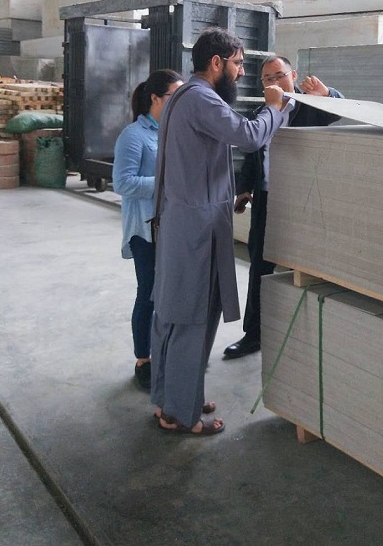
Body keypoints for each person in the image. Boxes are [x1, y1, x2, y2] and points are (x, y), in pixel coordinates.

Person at [151, 28, 293, 435]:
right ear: (216, 63)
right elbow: (248, 136)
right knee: (191, 318)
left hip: (187, 222)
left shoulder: (184, 95)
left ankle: (174, 398)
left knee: (176, 317)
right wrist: (275, 107)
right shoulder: (201, 97)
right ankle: (183, 415)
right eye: (238, 64)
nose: (242, 72)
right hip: (194, 229)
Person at [224, 55, 344, 360]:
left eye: (279, 75)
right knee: (259, 267)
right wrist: (244, 189)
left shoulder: (313, 107)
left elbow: (343, 109)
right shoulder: (262, 112)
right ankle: (254, 335)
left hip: (301, 202)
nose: (274, 83)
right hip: (266, 199)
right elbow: (253, 154)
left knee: (297, 270)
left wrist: (328, 94)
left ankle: (295, 336)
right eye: (267, 79)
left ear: (293, 75)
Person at [112, 69, 184, 390]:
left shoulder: (171, 131)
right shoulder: (134, 135)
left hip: (172, 227)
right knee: (149, 294)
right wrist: (166, 182)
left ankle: (165, 352)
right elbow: (123, 183)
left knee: (169, 294)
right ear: (155, 98)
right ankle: (144, 359)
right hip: (145, 231)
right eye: (173, 96)